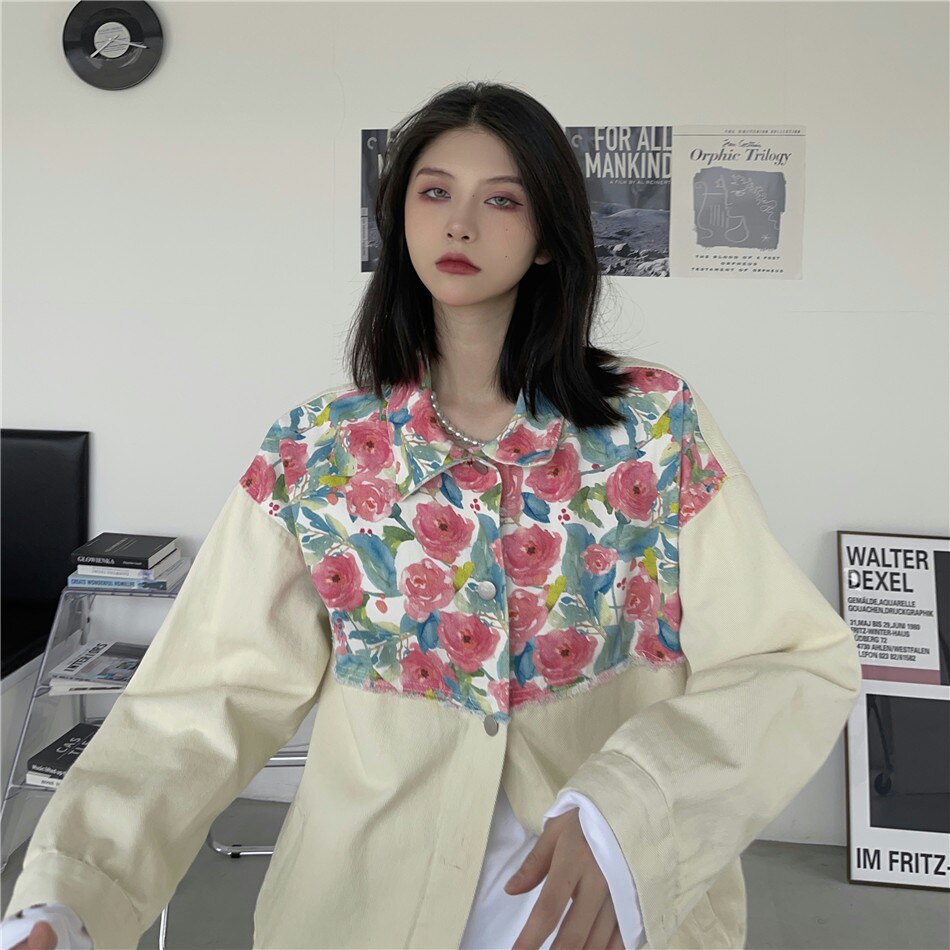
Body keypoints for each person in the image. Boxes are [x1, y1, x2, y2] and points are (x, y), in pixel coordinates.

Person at [1, 81, 862, 950]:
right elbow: (203, 698)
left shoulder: (653, 427)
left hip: (607, 915)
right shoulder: (318, 449)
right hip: (357, 913)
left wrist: (631, 806)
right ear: (400, 219)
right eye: (435, 191)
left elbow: (791, 659)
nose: (460, 224)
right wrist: (69, 896)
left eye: (502, 200)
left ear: (548, 238)